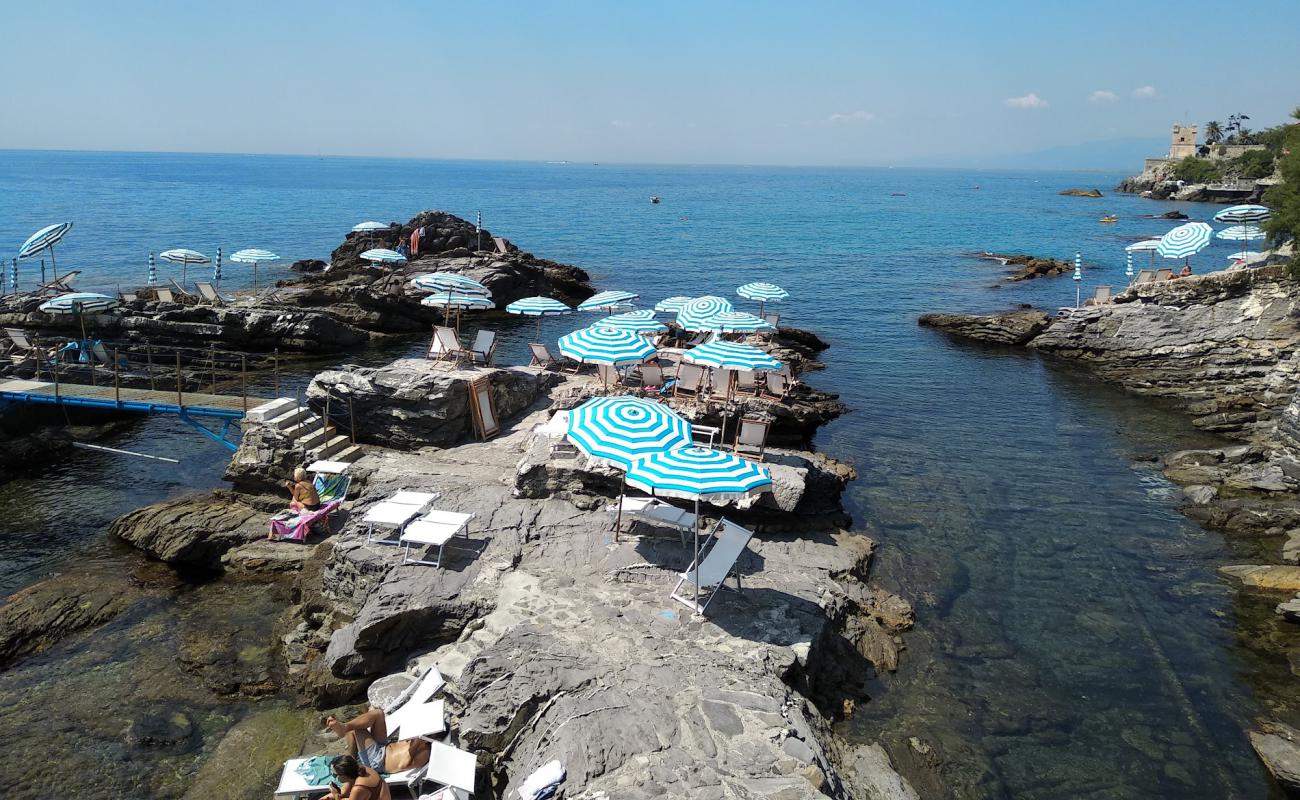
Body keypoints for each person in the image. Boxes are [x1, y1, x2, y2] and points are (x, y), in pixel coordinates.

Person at [325, 708, 430, 778]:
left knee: (356, 730)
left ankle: (348, 758)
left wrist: (416, 742)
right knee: (378, 713)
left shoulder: (426, 752)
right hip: (383, 746)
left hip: (377, 760)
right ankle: (345, 729)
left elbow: (403, 765)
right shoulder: (423, 742)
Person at [325, 754, 389, 800]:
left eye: (334, 775)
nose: (335, 778)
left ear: (345, 775)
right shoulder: (364, 770)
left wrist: (336, 795)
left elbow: (355, 793)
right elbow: (345, 791)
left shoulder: (358, 789)